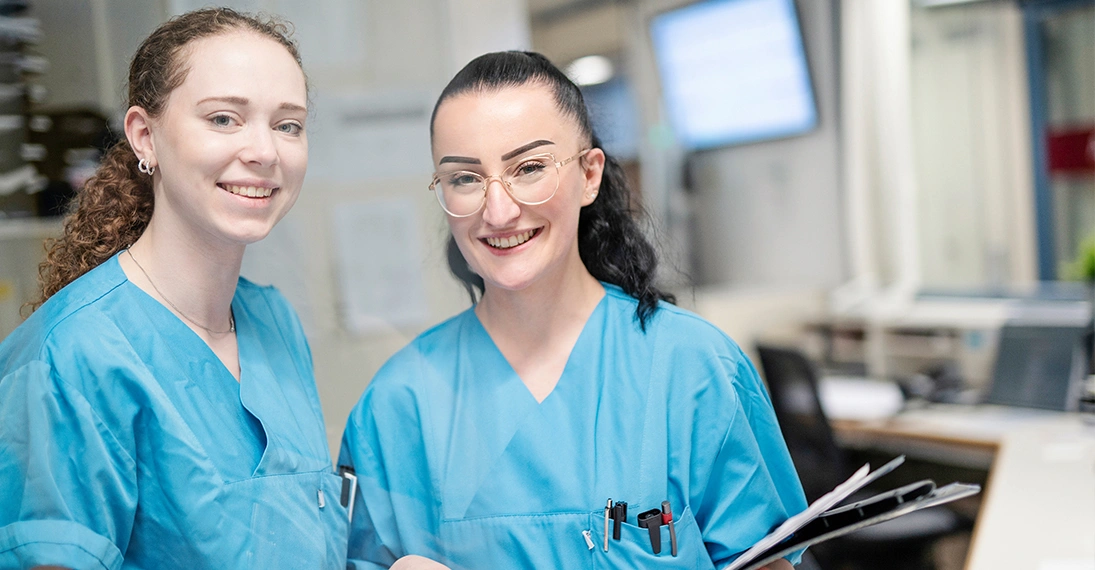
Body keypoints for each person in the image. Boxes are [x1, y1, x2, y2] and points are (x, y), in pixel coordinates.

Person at [339, 51, 808, 570]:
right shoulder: (397, 407)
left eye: (530, 167)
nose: (498, 210)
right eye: (465, 178)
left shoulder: (693, 370)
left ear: (589, 175)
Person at [0, 8, 348, 569]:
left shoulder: (274, 322)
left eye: (288, 125)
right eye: (224, 119)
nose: (264, 152)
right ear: (145, 136)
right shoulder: (70, 356)